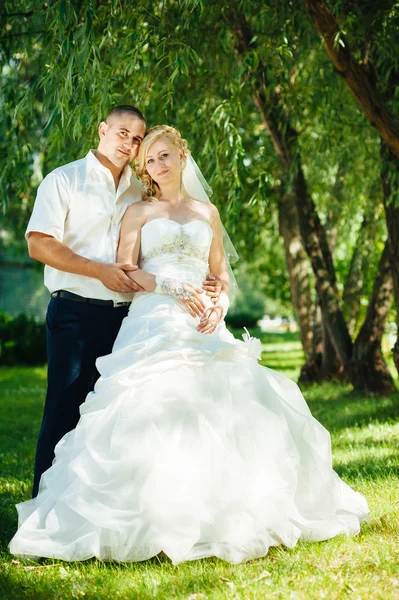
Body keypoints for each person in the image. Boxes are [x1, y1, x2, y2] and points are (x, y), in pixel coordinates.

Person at [10, 125, 368, 565]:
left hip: (202, 323)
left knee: (227, 404)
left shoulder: (208, 212)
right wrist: (169, 284)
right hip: (154, 317)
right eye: (150, 162)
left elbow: (220, 276)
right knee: (148, 403)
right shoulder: (138, 213)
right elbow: (126, 269)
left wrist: (220, 306)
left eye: (164, 156)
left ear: (182, 154)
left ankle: (225, 513)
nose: (158, 166)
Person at [26, 110, 221, 498]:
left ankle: (114, 498)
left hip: (132, 316)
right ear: (102, 130)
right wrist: (100, 271)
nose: (129, 144)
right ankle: (46, 501)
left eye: (137, 139)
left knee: (114, 416)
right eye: (122, 133)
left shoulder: (140, 190)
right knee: (65, 409)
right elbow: (38, 243)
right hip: (77, 312)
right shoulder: (64, 180)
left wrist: (208, 284)